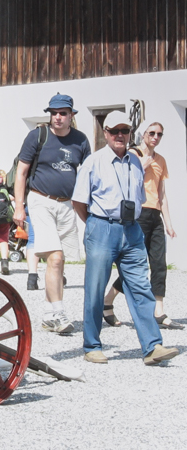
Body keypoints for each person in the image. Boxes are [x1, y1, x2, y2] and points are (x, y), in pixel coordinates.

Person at [71, 111, 179, 365]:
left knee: (141, 286)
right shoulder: (94, 161)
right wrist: (96, 225)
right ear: (106, 134)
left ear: (131, 134)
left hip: (131, 229)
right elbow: (78, 201)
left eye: (125, 131)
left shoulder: (135, 162)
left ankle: (152, 347)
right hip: (102, 227)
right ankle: (92, 345)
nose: (120, 135)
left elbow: (141, 197)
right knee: (96, 288)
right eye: (114, 131)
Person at [12, 93, 90, 333]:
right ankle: (58, 312)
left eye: (63, 113)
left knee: (60, 261)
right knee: (54, 258)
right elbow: (21, 172)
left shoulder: (81, 140)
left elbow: (87, 175)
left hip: (67, 205)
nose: (58, 117)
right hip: (41, 200)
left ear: (71, 116)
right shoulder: (37, 136)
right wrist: (19, 206)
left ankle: (48, 314)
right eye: (54, 113)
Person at [102, 122, 182, 330]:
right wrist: (143, 164)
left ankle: (159, 310)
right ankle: (107, 301)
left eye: (159, 135)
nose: (155, 137)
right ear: (143, 134)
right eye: (152, 133)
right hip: (137, 213)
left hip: (155, 214)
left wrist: (168, 223)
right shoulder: (132, 154)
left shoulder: (161, 160)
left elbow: (161, 193)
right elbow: (126, 179)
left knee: (159, 263)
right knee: (135, 265)